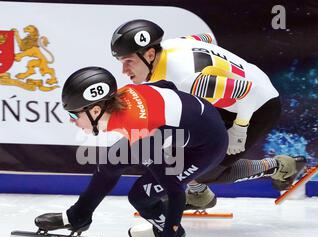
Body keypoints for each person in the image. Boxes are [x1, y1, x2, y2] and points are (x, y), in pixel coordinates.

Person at [35, 66, 229, 237]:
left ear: (96, 111)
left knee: (141, 197)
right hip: (182, 129)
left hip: (206, 147)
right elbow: (166, 86)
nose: (71, 120)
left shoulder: (140, 133)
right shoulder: (125, 93)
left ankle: (170, 230)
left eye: (74, 114)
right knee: (109, 162)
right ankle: (78, 217)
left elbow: (176, 193)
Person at [110, 19, 306, 210]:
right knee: (177, 141)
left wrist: (239, 130)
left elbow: (251, 92)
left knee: (208, 168)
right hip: (230, 96)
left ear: (150, 54)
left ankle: (281, 166)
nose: (124, 70)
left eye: (129, 61)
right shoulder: (171, 45)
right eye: (121, 61)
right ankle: (198, 193)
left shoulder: (187, 79)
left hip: (258, 105)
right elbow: (207, 38)